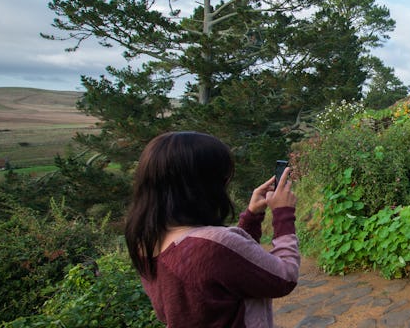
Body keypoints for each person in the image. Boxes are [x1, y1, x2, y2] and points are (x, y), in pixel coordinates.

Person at [124, 131, 300, 327]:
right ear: (203, 184)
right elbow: (284, 277)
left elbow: (228, 268)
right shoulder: (210, 246)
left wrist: (252, 215)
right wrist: (283, 214)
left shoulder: (146, 243)